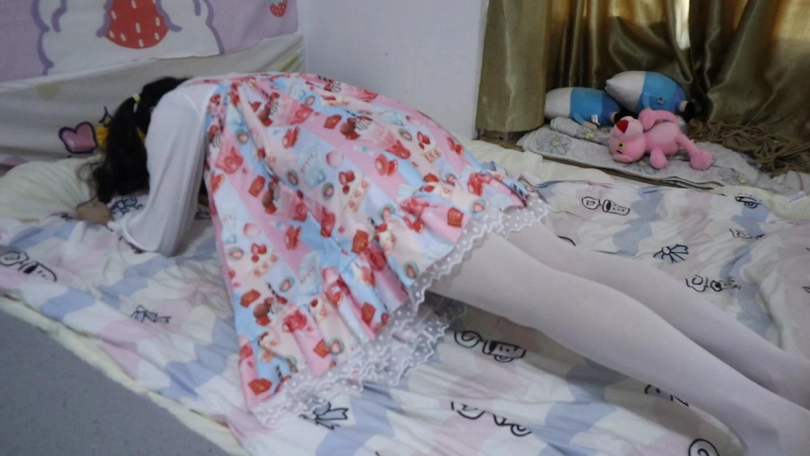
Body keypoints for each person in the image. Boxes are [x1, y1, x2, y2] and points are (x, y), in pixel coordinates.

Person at [77, 73, 810, 454]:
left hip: (382, 192)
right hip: (419, 155)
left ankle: (769, 421)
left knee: (544, 295)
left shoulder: (177, 110)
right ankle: (781, 376)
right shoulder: (252, 88)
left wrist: (114, 212)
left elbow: (160, 230)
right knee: (571, 267)